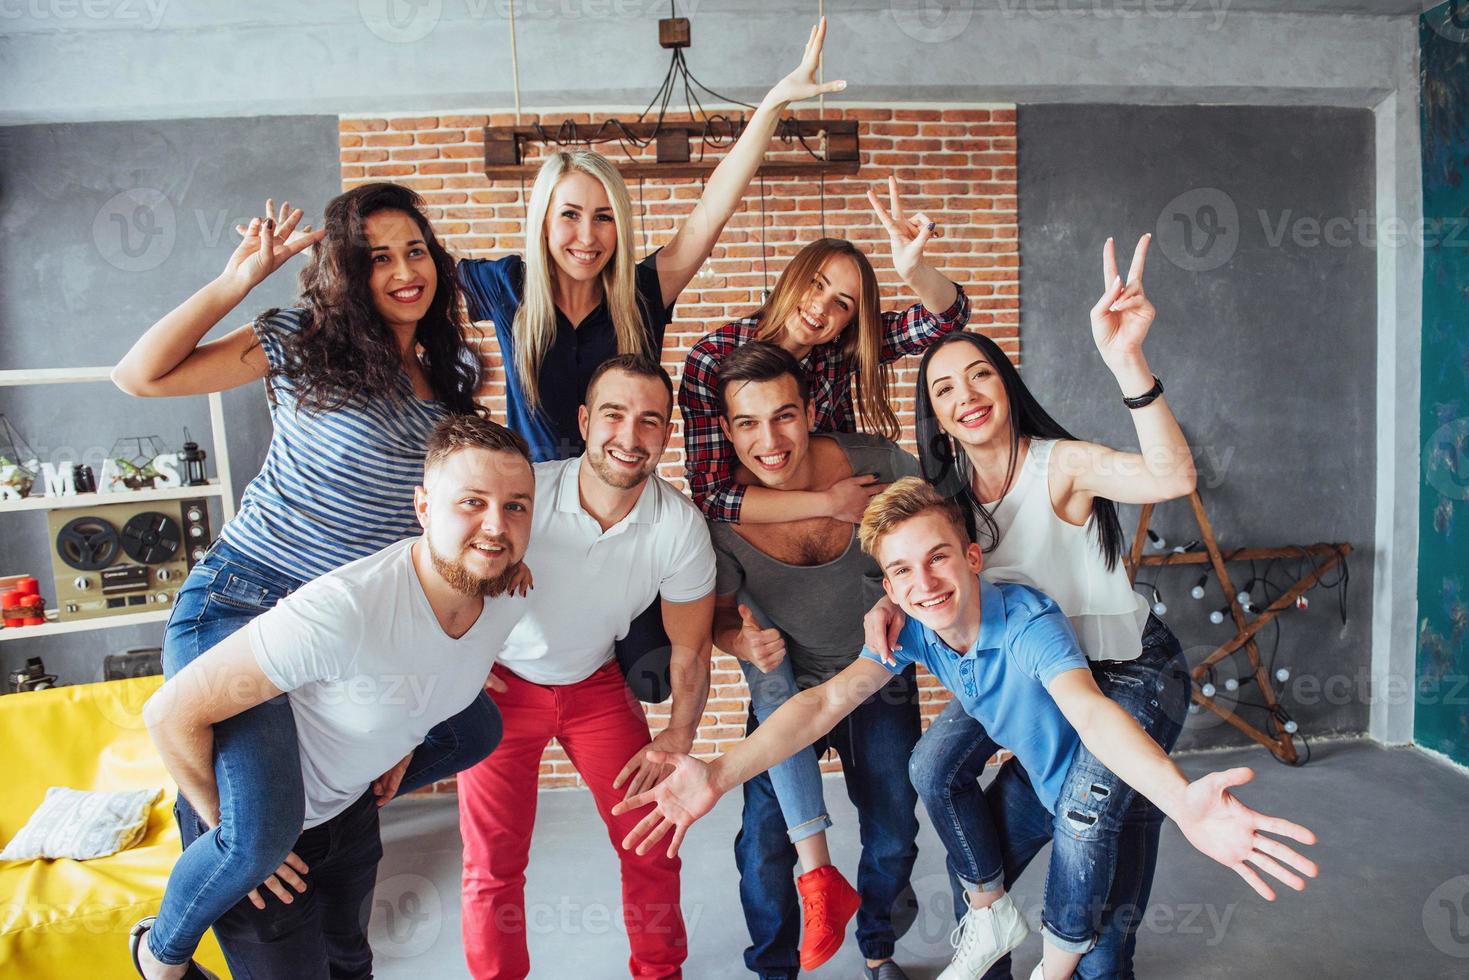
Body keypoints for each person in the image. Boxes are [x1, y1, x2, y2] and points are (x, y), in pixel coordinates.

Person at [612, 479, 1319, 980]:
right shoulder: (913, 631)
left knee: (1100, 959)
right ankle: (991, 918)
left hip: (1113, 788)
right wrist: (718, 769)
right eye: (901, 571)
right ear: (886, 589)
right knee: (941, 784)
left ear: (971, 557)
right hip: (1035, 783)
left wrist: (1181, 798)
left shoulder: (1026, 623)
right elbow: (822, 704)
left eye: (938, 557)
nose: (924, 582)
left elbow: (1091, 713)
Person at [112, 183, 511, 973]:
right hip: (242, 602)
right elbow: (140, 376)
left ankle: (297, 803)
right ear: (346, 272)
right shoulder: (302, 341)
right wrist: (237, 282)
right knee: (259, 843)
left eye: (415, 251)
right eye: (378, 258)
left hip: (332, 640)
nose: (404, 271)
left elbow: (450, 513)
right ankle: (159, 950)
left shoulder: (452, 385)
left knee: (473, 728)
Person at [454, 19, 843, 701]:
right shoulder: (509, 286)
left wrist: (772, 107)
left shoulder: (640, 292)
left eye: (604, 217)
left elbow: (709, 214)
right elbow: (411, 295)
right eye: (570, 216)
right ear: (545, 220)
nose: (587, 235)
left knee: (650, 677)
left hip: (626, 507)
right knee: (488, 664)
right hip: (536, 511)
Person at [866, 235, 1197, 978]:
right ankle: (987, 922)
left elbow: (1172, 476)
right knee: (935, 770)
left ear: (1007, 386)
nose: (965, 394)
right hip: (1035, 672)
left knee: (1096, 846)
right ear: (936, 417)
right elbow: (902, 560)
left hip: (1125, 674)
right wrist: (882, 610)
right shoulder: (945, 505)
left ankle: (1082, 957)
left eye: (980, 374)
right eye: (944, 388)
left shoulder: (1062, 465)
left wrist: (1127, 363)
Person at [130, 415, 536, 979]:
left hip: (347, 814)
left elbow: (433, 669)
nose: (496, 526)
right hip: (261, 823)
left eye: (516, 506)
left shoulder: (507, 591)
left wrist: (405, 734)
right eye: (472, 502)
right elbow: (170, 714)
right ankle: (158, 952)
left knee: (352, 966)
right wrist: (240, 835)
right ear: (423, 508)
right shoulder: (343, 609)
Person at [456, 355, 716, 979]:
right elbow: (441, 565)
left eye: (649, 421)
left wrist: (679, 733)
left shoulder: (679, 528)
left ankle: (660, 972)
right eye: (614, 415)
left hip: (596, 687)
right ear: (584, 420)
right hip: (502, 688)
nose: (630, 436)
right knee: (492, 860)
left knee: (652, 840)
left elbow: (691, 647)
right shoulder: (526, 495)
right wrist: (459, 663)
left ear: (666, 434)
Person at [708, 343, 922, 979]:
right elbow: (719, 620)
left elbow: (942, 534)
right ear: (726, 429)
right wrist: (740, 641)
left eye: (783, 417)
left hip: (877, 677)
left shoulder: (876, 465)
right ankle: (776, 967)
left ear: (809, 412)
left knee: (892, 830)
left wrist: (899, 596)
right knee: (761, 840)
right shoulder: (724, 518)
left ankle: (878, 947)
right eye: (747, 423)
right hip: (788, 689)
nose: (769, 440)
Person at [678, 176, 971, 527]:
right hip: (757, 530)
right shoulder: (712, 357)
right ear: (793, 276)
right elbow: (712, 495)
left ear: (849, 322)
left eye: (842, 304)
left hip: (838, 520)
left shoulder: (839, 348)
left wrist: (915, 271)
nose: (820, 307)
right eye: (816, 284)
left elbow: (946, 318)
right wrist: (828, 503)